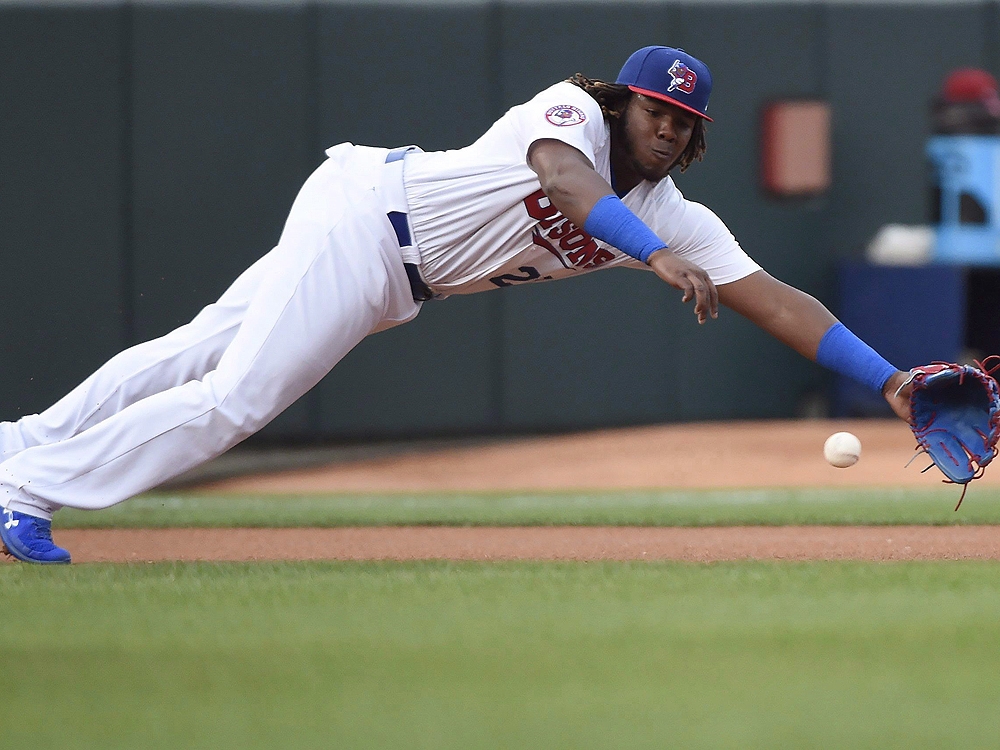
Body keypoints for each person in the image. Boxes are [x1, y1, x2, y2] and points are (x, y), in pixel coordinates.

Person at [0, 46, 912, 564]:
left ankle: (21, 445)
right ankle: (28, 490)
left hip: (388, 264)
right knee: (236, 396)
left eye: (683, 123)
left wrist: (890, 381)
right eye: (652, 111)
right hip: (368, 220)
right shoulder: (571, 114)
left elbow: (780, 302)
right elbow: (561, 181)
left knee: (195, 349)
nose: (666, 129)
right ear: (620, 103)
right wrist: (658, 254)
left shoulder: (674, 214)